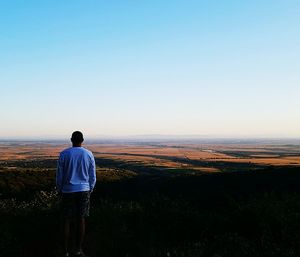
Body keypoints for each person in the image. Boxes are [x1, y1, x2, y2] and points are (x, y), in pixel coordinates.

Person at [56, 131, 96, 257]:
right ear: (82, 140)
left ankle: (65, 251)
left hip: (67, 190)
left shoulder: (64, 154)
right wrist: (90, 188)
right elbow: (92, 175)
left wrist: (59, 189)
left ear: (71, 139)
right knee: (81, 219)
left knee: (66, 220)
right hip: (84, 190)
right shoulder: (88, 154)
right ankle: (78, 250)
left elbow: (59, 175)